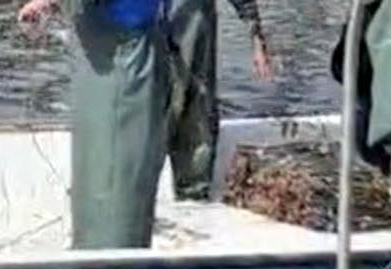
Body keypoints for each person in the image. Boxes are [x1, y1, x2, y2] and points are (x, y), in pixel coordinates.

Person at [18, 0, 172, 249]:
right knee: (97, 173)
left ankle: (115, 262)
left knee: (116, 184)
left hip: (121, 64)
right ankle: (94, 252)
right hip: (105, 62)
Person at [165, 0, 275, 202]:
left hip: (196, 42)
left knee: (198, 120)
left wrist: (257, 39)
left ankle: (194, 196)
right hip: (149, 43)